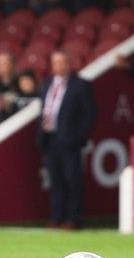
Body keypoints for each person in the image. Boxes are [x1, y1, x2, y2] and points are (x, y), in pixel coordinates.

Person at [37, 51, 96, 229]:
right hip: (49, 138)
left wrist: (78, 137)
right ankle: (56, 216)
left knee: (72, 180)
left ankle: (73, 218)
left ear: (68, 64)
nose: (58, 66)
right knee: (55, 180)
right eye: (55, 62)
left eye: (62, 62)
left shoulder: (80, 85)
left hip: (70, 141)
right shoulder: (47, 83)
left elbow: (89, 113)